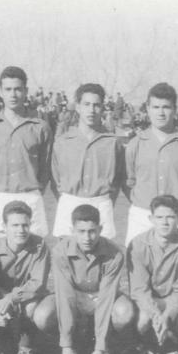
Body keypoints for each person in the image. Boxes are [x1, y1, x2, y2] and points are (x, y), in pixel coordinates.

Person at [51, 204, 135, 354]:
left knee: (124, 312)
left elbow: (106, 299)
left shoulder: (114, 253)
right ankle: (74, 342)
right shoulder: (60, 251)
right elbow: (65, 296)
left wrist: (100, 348)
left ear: (101, 229)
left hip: (101, 296)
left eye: (92, 231)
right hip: (76, 296)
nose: (87, 237)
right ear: (71, 230)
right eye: (81, 231)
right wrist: (66, 345)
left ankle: (107, 344)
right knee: (45, 313)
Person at [124, 82, 178, 246]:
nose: (160, 113)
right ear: (147, 109)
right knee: (138, 266)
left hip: (176, 215)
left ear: (175, 110)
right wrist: (140, 200)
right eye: (155, 107)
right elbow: (128, 180)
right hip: (142, 214)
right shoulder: (136, 144)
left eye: (166, 107)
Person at [0, 66, 53, 240]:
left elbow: (46, 166)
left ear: (26, 91)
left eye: (18, 89)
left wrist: (35, 188)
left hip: (30, 195)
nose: (13, 94)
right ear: (0, 92)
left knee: (34, 254)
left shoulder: (40, 127)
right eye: (8, 89)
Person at [127, 195, 178, 354]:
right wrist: (156, 315)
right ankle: (149, 348)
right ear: (151, 219)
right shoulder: (138, 244)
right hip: (150, 301)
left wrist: (167, 314)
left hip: (175, 302)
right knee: (143, 320)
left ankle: (173, 350)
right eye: (159, 217)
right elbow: (139, 289)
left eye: (170, 217)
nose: (164, 223)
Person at [0, 201, 55, 354]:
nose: (21, 230)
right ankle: (5, 339)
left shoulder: (39, 245)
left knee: (31, 308)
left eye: (25, 225)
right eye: (15, 225)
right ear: (4, 226)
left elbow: (37, 283)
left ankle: (26, 346)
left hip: (28, 298)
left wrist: (11, 298)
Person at [51, 83, 124, 240]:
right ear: (77, 107)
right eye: (86, 104)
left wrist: (105, 200)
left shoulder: (112, 143)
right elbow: (55, 178)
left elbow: (118, 180)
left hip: (101, 204)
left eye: (96, 105)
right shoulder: (62, 142)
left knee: (102, 258)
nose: (91, 110)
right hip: (70, 203)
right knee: (66, 257)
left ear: (102, 108)